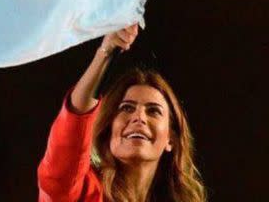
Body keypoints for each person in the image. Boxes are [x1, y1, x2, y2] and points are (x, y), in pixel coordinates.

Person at [37, 24, 206, 202]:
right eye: (126, 108)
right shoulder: (82, 194)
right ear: (108, 130)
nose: (139, 117)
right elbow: (69, 139)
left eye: (153, 111)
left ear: (171, 139)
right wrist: (105, 53)